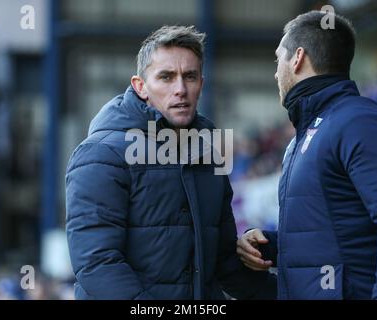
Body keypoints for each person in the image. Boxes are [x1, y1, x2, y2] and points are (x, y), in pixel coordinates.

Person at [65, 25, 276, 300]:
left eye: (190, 76)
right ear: (140, 87)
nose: (180, 89)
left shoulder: (209, 157)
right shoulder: (100, 155)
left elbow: (222, 262)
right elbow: (97, 265)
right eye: (166, 77)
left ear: (201, 82)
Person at [237, 11, 377, 299]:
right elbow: (337, 236)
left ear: (298, 57)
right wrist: (270, 246)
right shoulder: (306, 135)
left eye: (279, 59)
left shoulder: (360, 122)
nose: (276, 71)